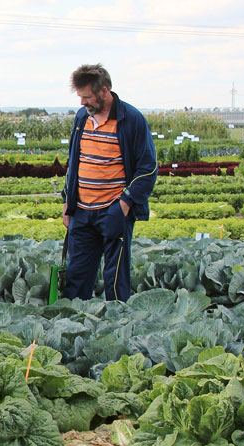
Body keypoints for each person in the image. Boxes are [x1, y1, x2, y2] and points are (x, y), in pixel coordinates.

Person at [61, 63, 157, 302]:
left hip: (113, 211)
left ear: (104, 92)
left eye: (87, 97)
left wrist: (124, 204)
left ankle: (117, 326)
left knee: (115, 278)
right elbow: (74, 163)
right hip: (82, 212)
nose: (82, 103)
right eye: (80, 97)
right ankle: (73, 325)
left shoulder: (131, 119)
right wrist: (68, 203)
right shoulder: (82, 118)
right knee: (77, 274)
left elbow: (148, 167)